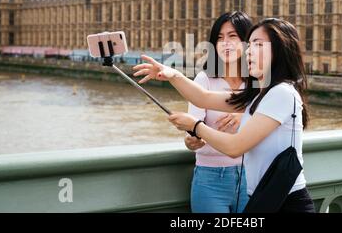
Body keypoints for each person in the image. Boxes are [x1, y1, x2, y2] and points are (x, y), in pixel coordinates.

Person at [133, 18, 316, 213]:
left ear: (280, 50)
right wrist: (172, 75)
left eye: (258, 44)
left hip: (286, 203)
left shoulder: (281, 93)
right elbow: (203, 97)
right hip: (264, 197)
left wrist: (196, 126)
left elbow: (235, 147)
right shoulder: (258, 96)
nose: (249, 51)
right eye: (249, 44)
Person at [184, 11, 253, 213]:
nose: (225, 43)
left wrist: (245, 117)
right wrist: (191, 140)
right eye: (220, 38)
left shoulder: (258, 82)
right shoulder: (204, 81)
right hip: (211, 179)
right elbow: (193, 130)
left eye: (233, 36)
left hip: (254, 177)